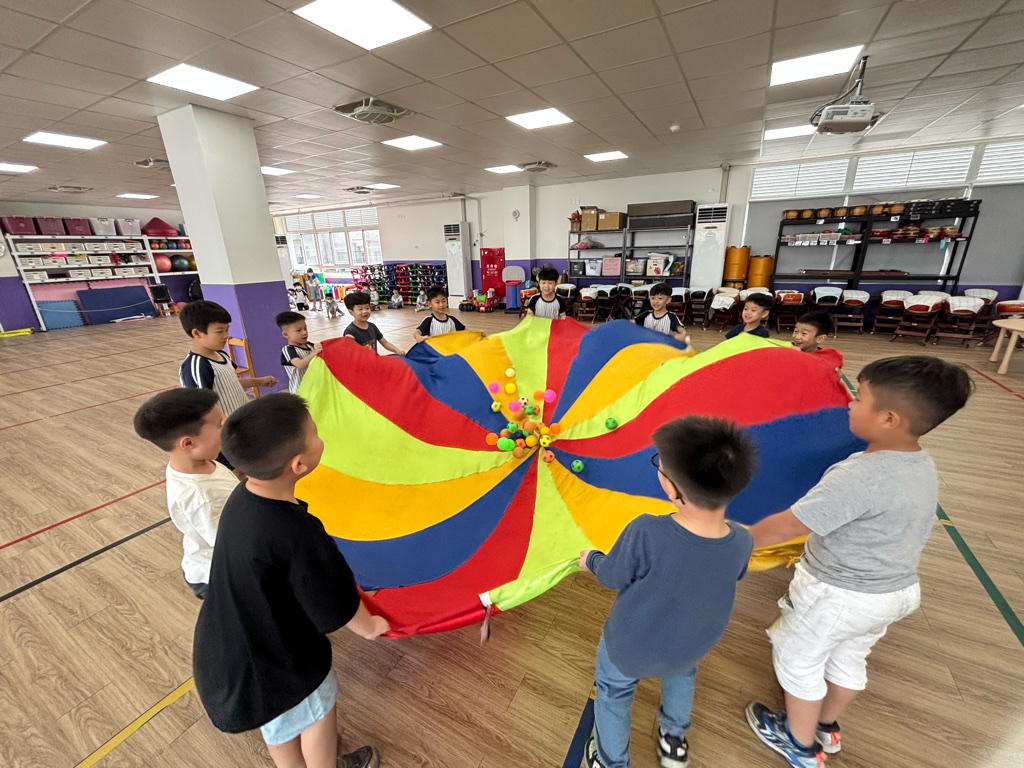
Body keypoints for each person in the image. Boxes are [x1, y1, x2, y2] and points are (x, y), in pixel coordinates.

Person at [744, 356, 973, 767]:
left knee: (797, 659)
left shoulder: (859, 476)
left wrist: (736, 541)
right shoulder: (920, 464)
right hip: (893, 592)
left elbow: (789, 525)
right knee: (848, 658)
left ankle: (799, 743)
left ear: (888, 418)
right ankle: (827, 727)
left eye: (859, 397)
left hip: (838, 593)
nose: (849, 402)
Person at [193, 393, 388, 768]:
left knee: (280, 723)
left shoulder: (243, 496)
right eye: (315, 433)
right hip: (274, 663)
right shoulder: (296, 532)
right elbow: (331, 601)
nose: (320, 437)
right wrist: (369, 626)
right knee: (317, 713)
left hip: (230, 652)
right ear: (299, 464)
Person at [579, 415, 756, 768]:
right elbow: (730, 575)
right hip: (692, 644)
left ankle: (611, 762)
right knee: (682, 675)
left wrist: (592, 560)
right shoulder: (742, 539)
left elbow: (612, 576)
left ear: (674, 489)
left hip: (629, 645)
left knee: (613, 694)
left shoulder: (646, 531)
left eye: (659, 465)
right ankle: (673, 740)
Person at [133, 388, 236, 600]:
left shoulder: (196, 462)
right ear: (188, 443)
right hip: (215, 575)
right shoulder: (204, 498)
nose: (228, 422)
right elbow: (234, 547)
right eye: (219, 424)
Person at [179, 301, 277, 475]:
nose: (226, 336)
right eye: (219, 331)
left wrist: (259, 381)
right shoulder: (197, 365)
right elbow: (200, 406)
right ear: (197, 333)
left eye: (227, 330)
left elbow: (229, 381)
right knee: (237, 472)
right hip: (224, 434)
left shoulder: (221, 355)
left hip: (240, 425)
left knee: (252, 465)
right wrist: (223, 425)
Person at [276, 311, 322, 394]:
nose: (304, 332)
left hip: (314, 389)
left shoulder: (310, 345)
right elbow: (300, 365)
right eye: (298, 330)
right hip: (300, 392)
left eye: (305, 328)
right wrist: (314, 353)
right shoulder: (288, 350)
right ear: (286, 334)